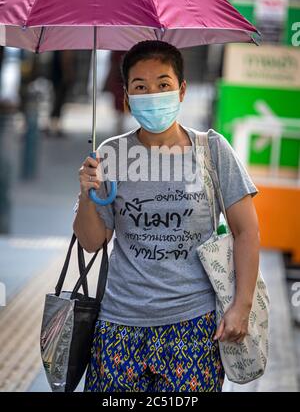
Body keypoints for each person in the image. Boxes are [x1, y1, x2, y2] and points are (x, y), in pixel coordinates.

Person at [72, 40, 260, 393]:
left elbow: (246, 231)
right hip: (119, 323)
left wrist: (241, 307)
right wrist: (86, 193)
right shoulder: (110, 154)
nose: (152, 94)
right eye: (140, 87)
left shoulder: (212, 150)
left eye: (163, 84)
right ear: (126, 96)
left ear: (182, 90)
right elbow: (91, 241)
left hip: (193, 324)